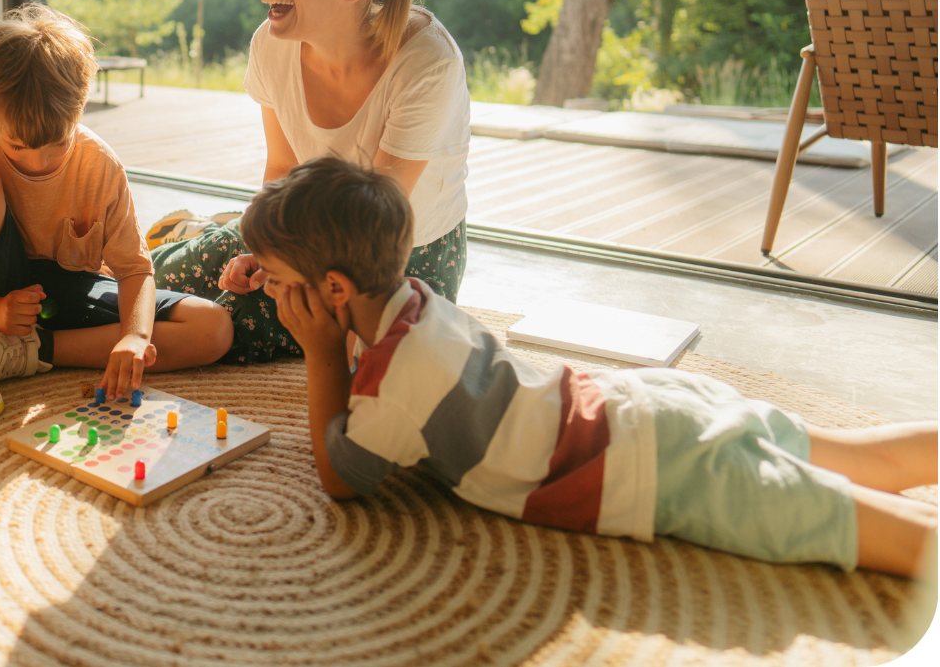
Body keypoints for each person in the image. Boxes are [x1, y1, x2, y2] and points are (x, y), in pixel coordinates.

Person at [245, 156, 940, 578]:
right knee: (855, 457)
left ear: (335, 290)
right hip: (651, 404)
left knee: (874, 533)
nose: (272, 288)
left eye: (277, 278)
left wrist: (319, 352)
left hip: (655, 465)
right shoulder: (416, 302)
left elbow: (340, 477)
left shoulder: (398, 382)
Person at [0, 3, 234, 443]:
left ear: (82, 103)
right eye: (17, 146)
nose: (41, 161)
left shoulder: (100, 165)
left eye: (58, 143)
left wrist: (132, 336)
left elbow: (133, 269)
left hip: (68, 294)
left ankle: (26, 354)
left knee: (214, 328)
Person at [152, 0, 471, 364]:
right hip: (305, 229)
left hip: (392, 255)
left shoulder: (427, 63)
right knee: (154, 277)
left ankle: (202, 230)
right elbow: (281, 169)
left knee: (227, 322)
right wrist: (260, 248)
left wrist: (280, 266)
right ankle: (199, 234)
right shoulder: (271, 43)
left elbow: (374, 226)